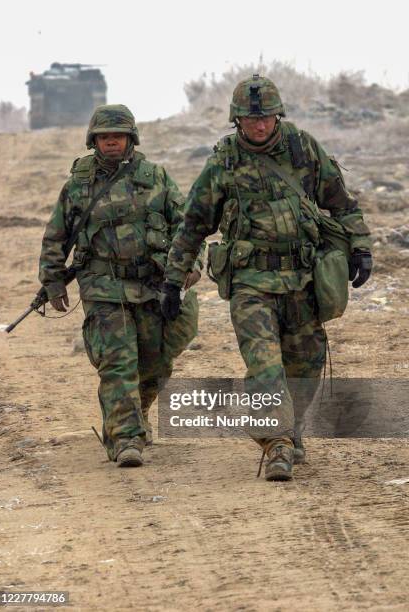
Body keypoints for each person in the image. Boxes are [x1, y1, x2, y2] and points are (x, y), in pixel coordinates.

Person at [161, 75, 372, 482]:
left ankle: (289, 429)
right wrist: (173, 280)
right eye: (250, 120)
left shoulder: (302, 148)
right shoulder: (222, 163)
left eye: (267, 118)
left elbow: (341, 203)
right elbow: (192, 226)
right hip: (251, 283)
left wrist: (361, 247)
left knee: (305, 366)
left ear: (278, 116)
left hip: (303, 279)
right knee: (265, 368)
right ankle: (276, 443)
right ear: (236, 120)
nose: (260, 126)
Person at [39, 104, 203, 467]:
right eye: (104, 137)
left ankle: (137, 412)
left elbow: (187, 227)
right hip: (103, 288)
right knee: (117, 362)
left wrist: (190, 267)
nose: (111, 142)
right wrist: (52, 280)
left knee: (156, 362)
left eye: (118, 136)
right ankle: (126, 438)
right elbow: (56, 236)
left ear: (131, 139)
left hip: (151, 286)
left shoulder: (157, 177)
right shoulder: (79, 185)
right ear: (93, 141)